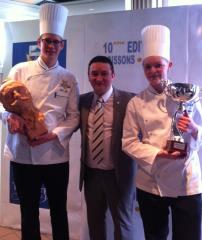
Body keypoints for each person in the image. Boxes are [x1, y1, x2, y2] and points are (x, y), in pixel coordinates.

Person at [0, 3, 79, 240]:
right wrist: (9, 117)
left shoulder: (68, 77)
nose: (52, 46)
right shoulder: (19, 70)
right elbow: (3, 105)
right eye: (47, 41)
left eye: (56, 42)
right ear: (39, 42)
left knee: (58, 210)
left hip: (55, 154)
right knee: (28, 211)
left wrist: (53, 134)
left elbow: (74, 116)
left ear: (62, 45)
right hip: (24, 154)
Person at [122, 24, 202, 240]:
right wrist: (159, 153)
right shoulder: (136, 103)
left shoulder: (189, 94)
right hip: (150, 182)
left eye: (158, 65)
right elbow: (128, 142)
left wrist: (195, 129)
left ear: (170, 65)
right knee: (154, 236)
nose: (153, 71)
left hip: (187, 181)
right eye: (148, 67)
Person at [79, 55, 136, 240]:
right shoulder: (82, 102)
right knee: (95, 223)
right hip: (91, 175)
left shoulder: (129, 101)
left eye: (104, 73)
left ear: (113, 75)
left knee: (123, 224)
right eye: (94, 74)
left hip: (119, 175)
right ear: (88, 76)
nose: (99, 78)